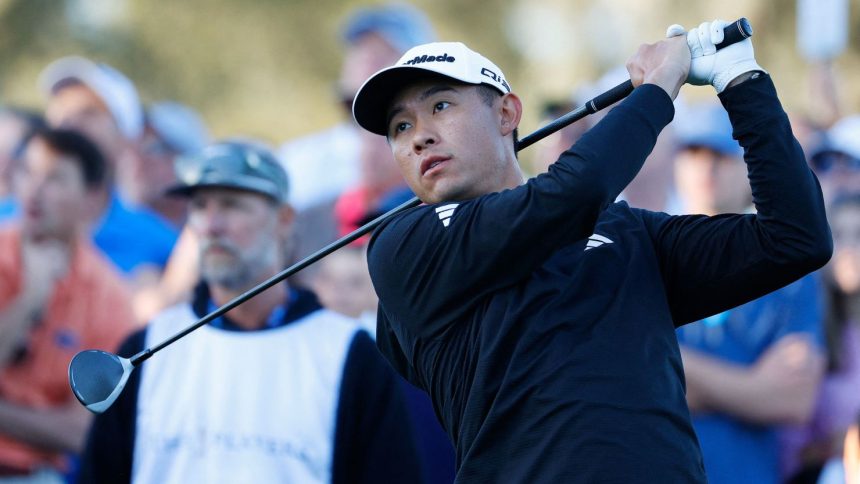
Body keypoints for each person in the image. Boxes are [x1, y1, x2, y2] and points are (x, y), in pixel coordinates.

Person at [350, 19, 833, 482]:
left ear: (506, 114)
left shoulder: (625, 232)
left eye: (439, 107)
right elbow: (569, 196)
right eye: (399, 128)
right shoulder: (403, 245)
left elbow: (794, 238)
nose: (419, 137)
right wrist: (656, 90)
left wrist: (742, 81)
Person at [78, 140, 423, 483]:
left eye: (232, 205)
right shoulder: (146, 347)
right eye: (199, 206)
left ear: (284, 219)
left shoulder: (352, 351)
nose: (212, 225)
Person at [669, 104, 825, 484]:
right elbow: (630, 382)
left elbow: (793, 400)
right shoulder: (641, 256)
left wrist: (680, 369)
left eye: (720, 154)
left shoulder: (792, 269)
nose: (706, 168)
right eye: (693, 153)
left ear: (746, 165)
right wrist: (754, 388)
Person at [0, 127, 135, 481]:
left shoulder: (110, 298)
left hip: (31, 473)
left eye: (55, 179)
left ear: (92, 199)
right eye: (27, 171)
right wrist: (30, 296)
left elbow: (83, 432)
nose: (34, 190)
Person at [39, 56, 179, 279]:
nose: (68, 124)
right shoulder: (7, 221)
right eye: (60, 113)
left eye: (88, 113)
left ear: (126, 138)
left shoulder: (162, 244)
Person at [783, 192, 860, 483]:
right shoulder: (804, 330)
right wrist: (838, 444)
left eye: (859, 234)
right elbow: (787, 447)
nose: (850, 248)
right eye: (839, 235)